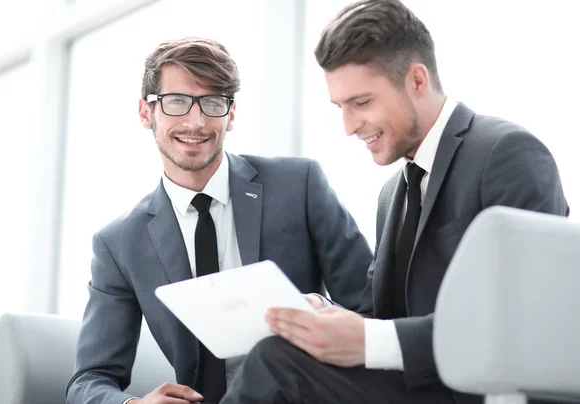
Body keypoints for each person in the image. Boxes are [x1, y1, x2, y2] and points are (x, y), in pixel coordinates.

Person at [220, 1, 570, 403]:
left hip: (479, 391)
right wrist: (322, 316)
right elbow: (376, 319)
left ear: (417, 80)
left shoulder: (506, 153)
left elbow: (531, 321)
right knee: (284, 351)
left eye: (361, 102)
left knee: (276, 363)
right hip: (412, 386)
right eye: (341, 107)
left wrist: (370, 339)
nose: (349, 127)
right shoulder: (392, 195)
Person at [65, 37, 373, 404]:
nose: (196, 122)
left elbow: (372, 310)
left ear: (231, 113)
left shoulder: (299, 186)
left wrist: (323, 312)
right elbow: (89, 382)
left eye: (212, 103)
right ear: (146, 112)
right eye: (176, 102)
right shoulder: (118, 244)